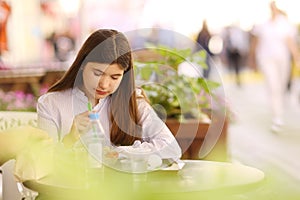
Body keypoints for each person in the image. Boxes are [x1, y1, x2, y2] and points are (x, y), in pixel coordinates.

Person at [37, 29, 182, 161]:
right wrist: (70, 139)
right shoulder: (51, 104)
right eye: (97, 73)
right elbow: (43, 162)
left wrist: (119, 153)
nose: (104, 85)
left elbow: (171, 149)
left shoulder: (133, 103)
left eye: (114, 77)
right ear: (82, 65)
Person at [249, 1, 300, 133]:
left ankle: (279, 110)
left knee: (281, 87)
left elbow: (291, 43)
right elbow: (255, 43)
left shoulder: (284, 24)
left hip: (283, 60)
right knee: (273, 86)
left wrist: (297, 58)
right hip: (266, 59)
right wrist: (252, 59)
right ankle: (277, 118)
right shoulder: (263, 25)